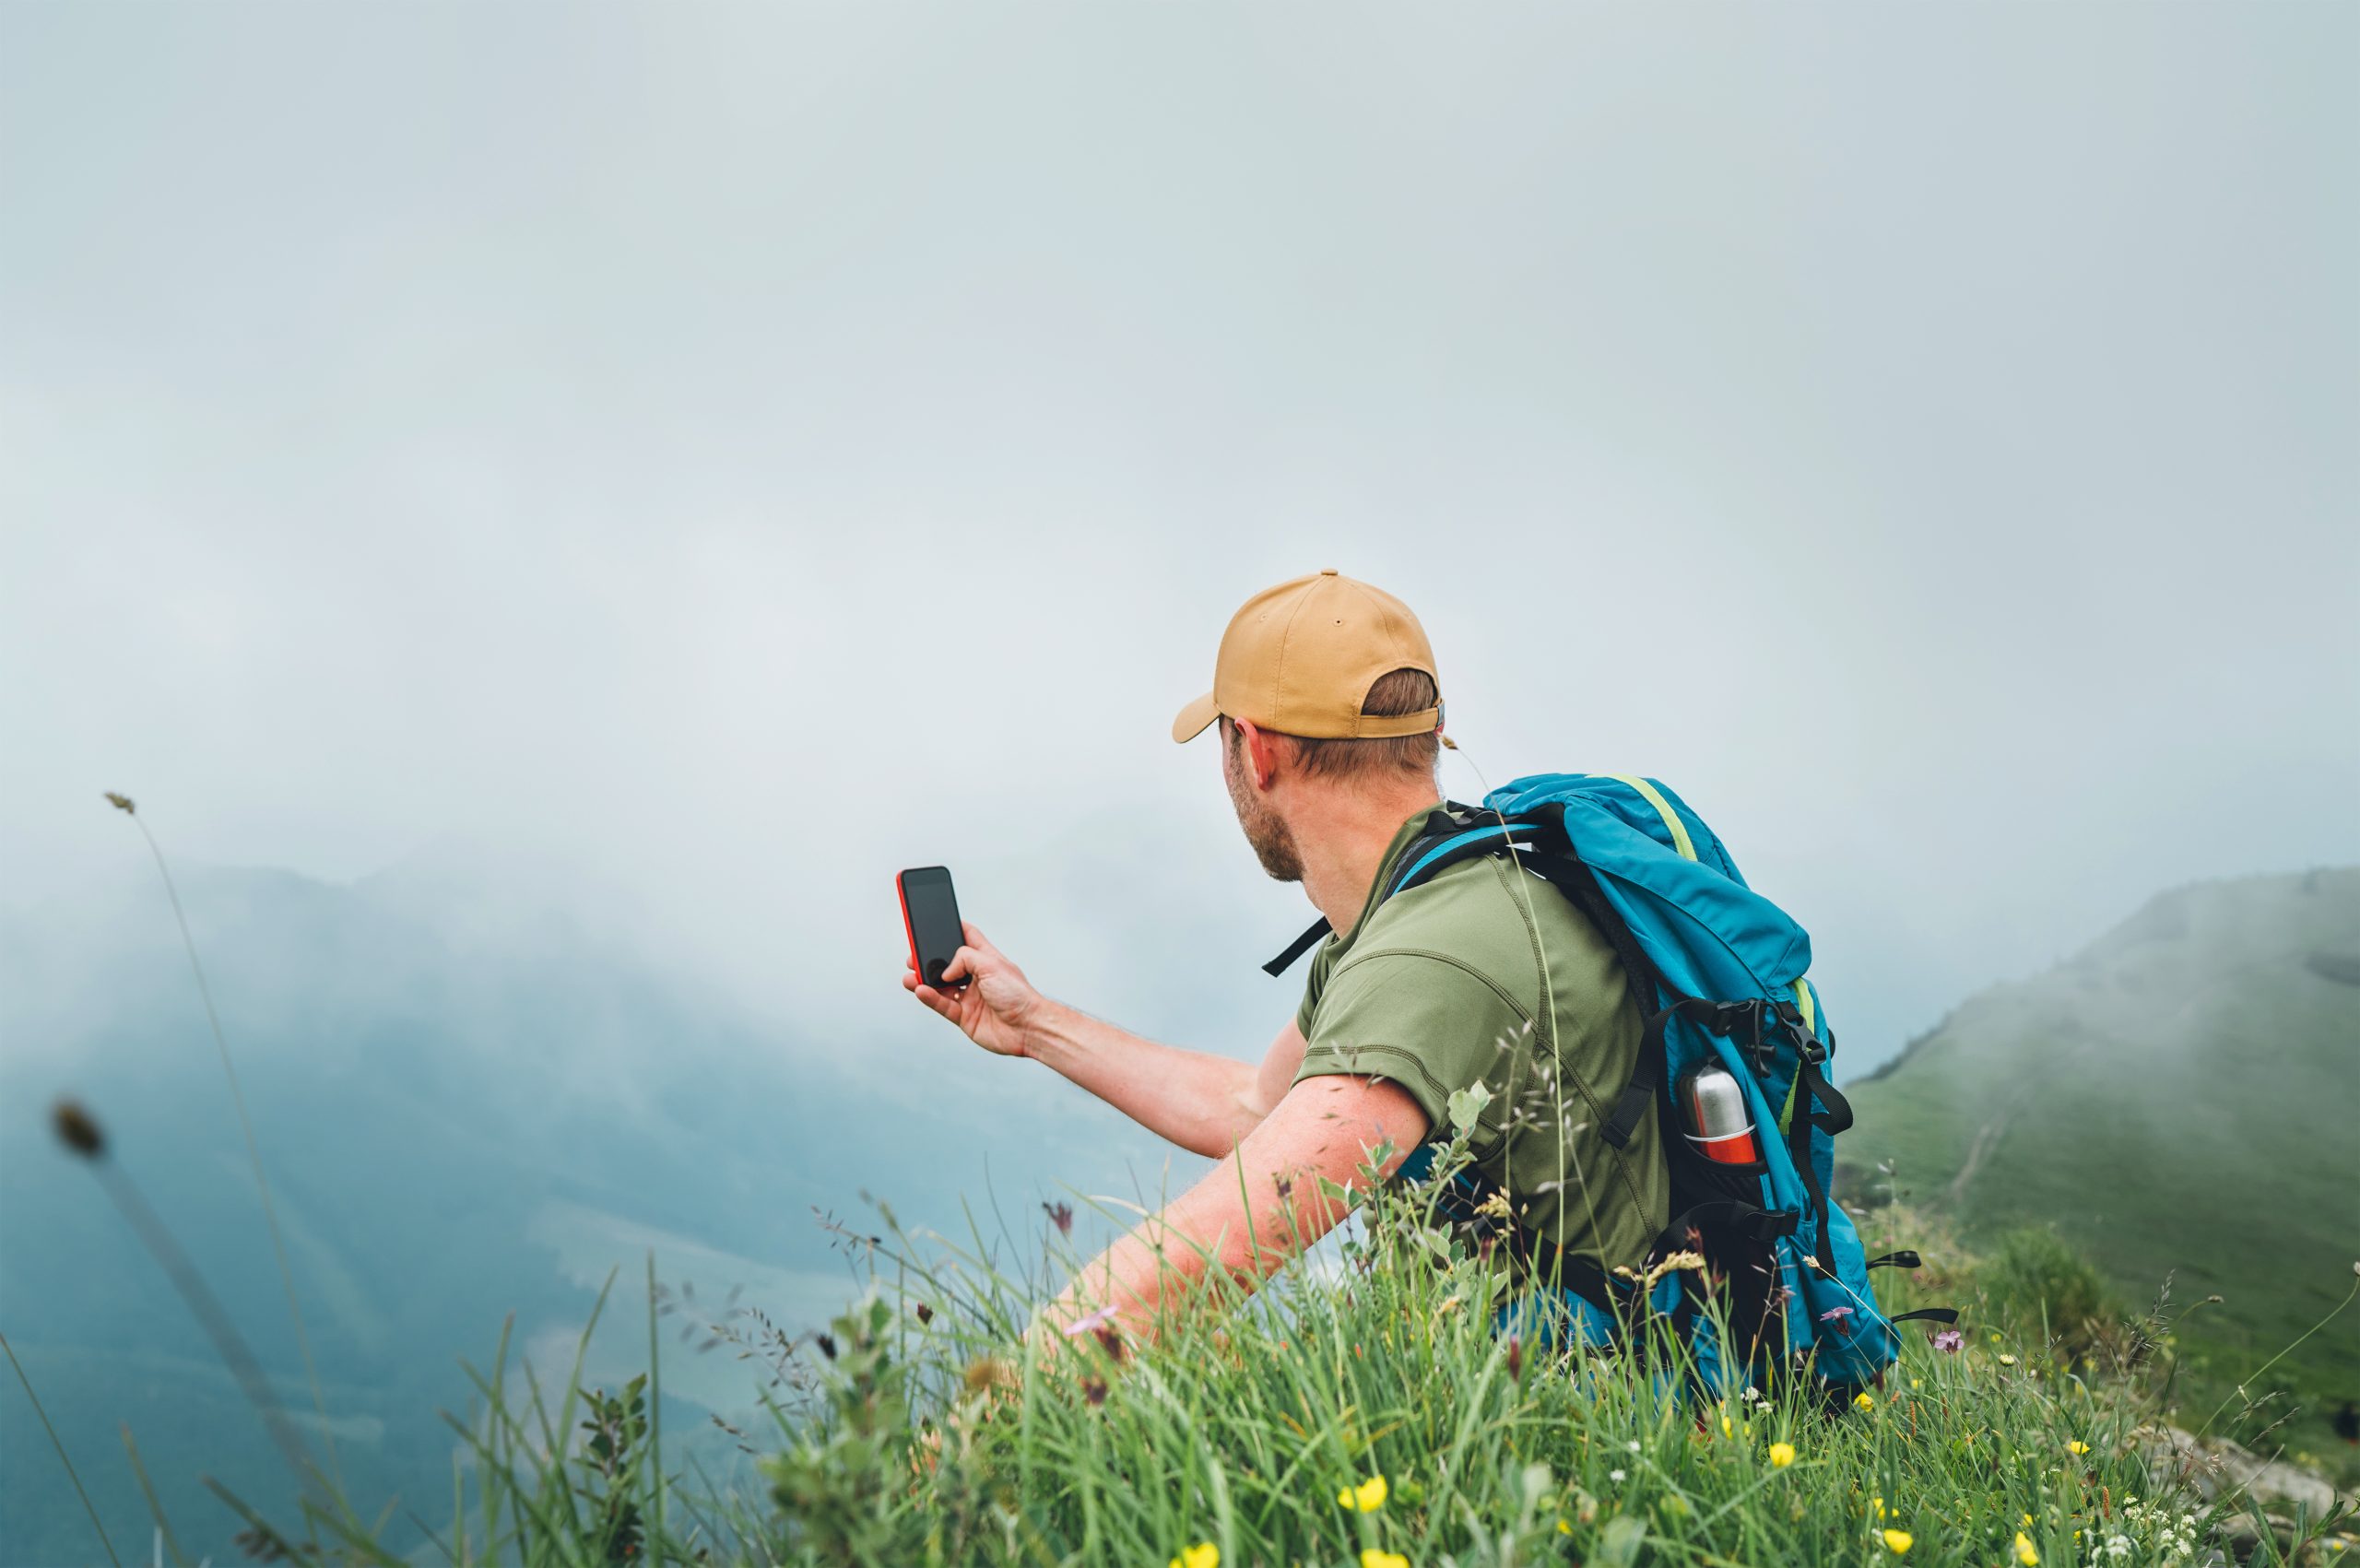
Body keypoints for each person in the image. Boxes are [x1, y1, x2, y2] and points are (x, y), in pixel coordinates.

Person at [903, 569, 1669, 1346]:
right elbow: (1253, 1109)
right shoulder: (1431, 902)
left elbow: (1186, 1270)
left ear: (1257, 753)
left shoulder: (1428, 963)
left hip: (1609, 1420)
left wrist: (977, 1438)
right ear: (1430, 735)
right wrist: (1033, 1023)